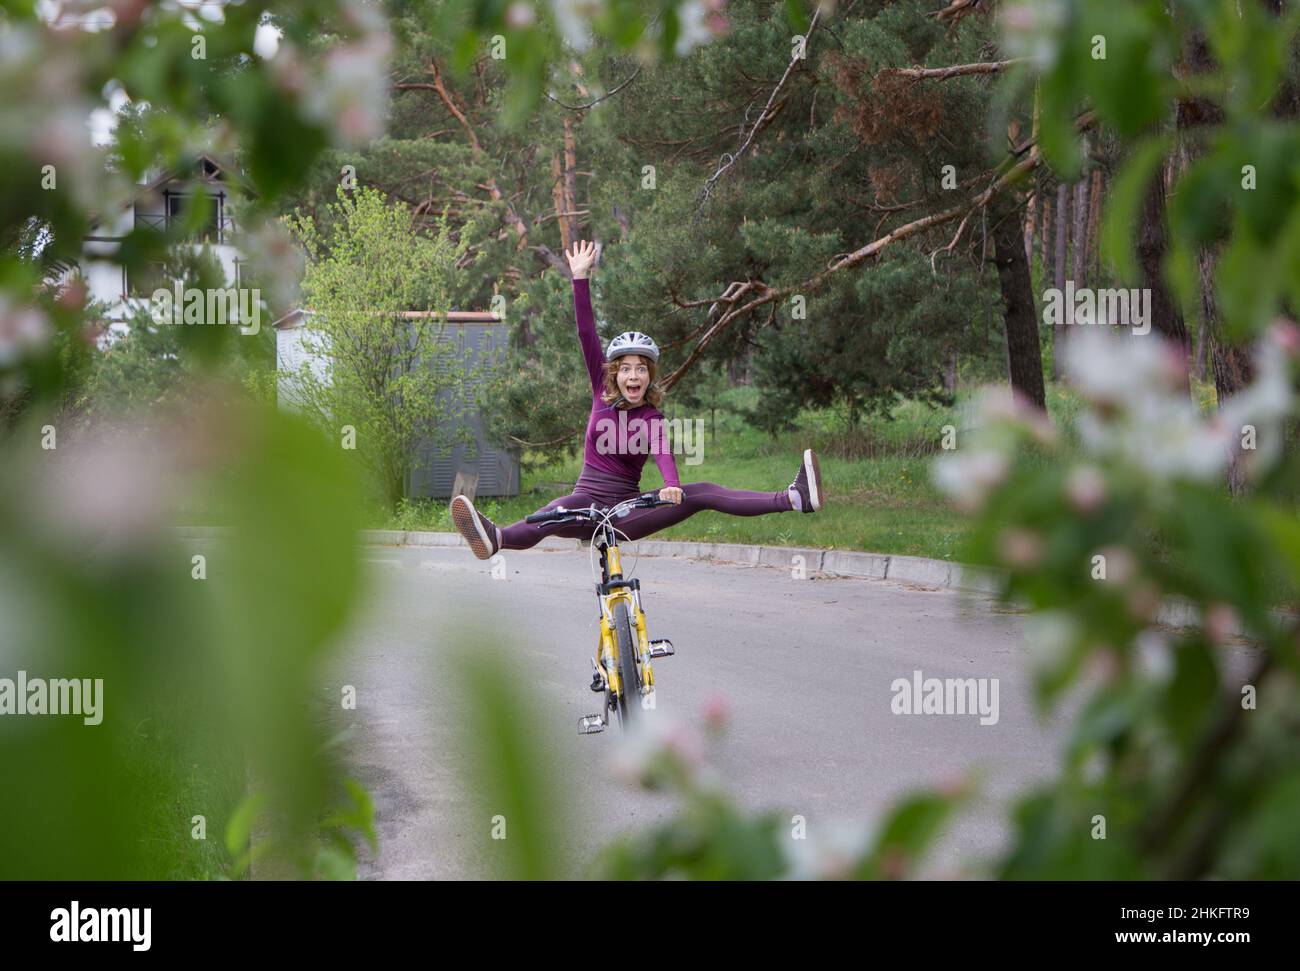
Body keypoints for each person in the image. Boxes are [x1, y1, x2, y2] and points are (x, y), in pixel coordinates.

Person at [449, 239, 824, 559]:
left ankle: (793, 498)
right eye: (626, 368)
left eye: (641, 369)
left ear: (649, 376)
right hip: (586, 503)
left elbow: (662, 451)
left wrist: (672, 483)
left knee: (704, 492)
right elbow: (585, 333)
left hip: (628, 511)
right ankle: (495, 538)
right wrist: (580, 278)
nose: (633, 375)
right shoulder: (600, 389)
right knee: (550, 513)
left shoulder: (651, 417)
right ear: (615, 372)